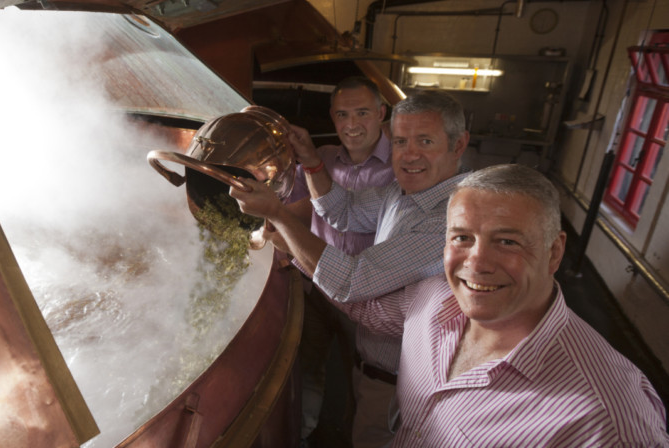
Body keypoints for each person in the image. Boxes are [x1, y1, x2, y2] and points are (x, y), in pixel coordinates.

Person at [323, 164, 669, 446]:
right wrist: (288, 246)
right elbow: (366, 309)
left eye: (507, 241)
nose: (477, 263)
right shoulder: (431, 298)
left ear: (555, 252)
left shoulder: (606, 419)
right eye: (462, 237)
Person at [230, 89, 470, 447]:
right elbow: (342, 210)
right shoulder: (401, 192)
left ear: (459, 144)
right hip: (373, 367)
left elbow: (352, 280)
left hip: (401, 382)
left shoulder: (447, 219)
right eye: (401, 141)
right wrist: (311, 161)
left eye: (425, 141)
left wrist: (277, 214)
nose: (410, 155)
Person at [287, 76, 395, 443]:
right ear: (333, 118)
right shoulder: (325, 157)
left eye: (362, 113)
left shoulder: (404, 165)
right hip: (316, 287)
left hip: (367, 299)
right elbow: (295, 208)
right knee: (307, 366)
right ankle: (304, 434)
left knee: (360, 377)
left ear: (381, 113)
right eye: (342, 115)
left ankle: (345, 435)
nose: (351, 124)